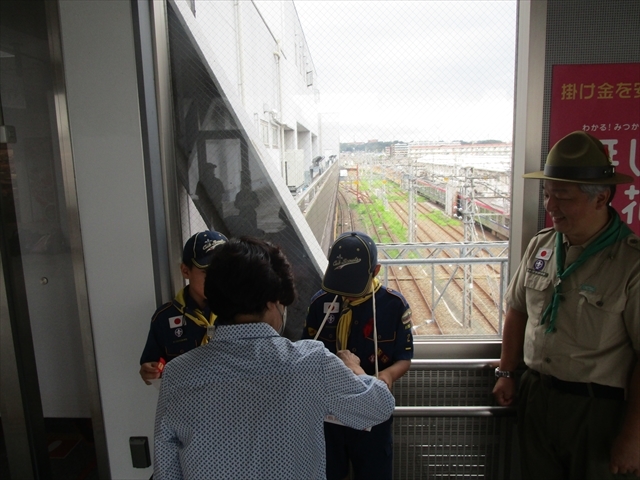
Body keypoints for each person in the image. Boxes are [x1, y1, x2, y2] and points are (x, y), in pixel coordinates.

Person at [153, 236, 395, 480]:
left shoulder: (177, 374)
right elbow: (380, 406)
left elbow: (167, 470)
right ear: (273, 303)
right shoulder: (312, 362)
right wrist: (355, 369)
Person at [492, 131, 640, 479]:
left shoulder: (630, 264)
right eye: (547, 194)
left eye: (562, 196)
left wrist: (633, 437)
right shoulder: (542, 246)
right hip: (536, 397)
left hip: (598, 410)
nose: (550, 206)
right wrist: (507, 372)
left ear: (600, 197)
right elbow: (517, 310)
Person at [302, 231, 414, 480]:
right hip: (326, 417)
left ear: (375, 272)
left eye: (352, 284)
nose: (345, 292)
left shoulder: (393, 305)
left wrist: (385, 377)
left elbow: (404, 356)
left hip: (371, 414)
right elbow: (305, 350)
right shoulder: (321, 302)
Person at [139, 230, 228, 385]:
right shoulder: (164, 318)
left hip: (233, 401)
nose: (218, 278)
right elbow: (151, 363)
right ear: (186, 271)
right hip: (186, 403)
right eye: (207, 271)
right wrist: (149, 370)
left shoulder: (241, 312)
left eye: (225, 270)